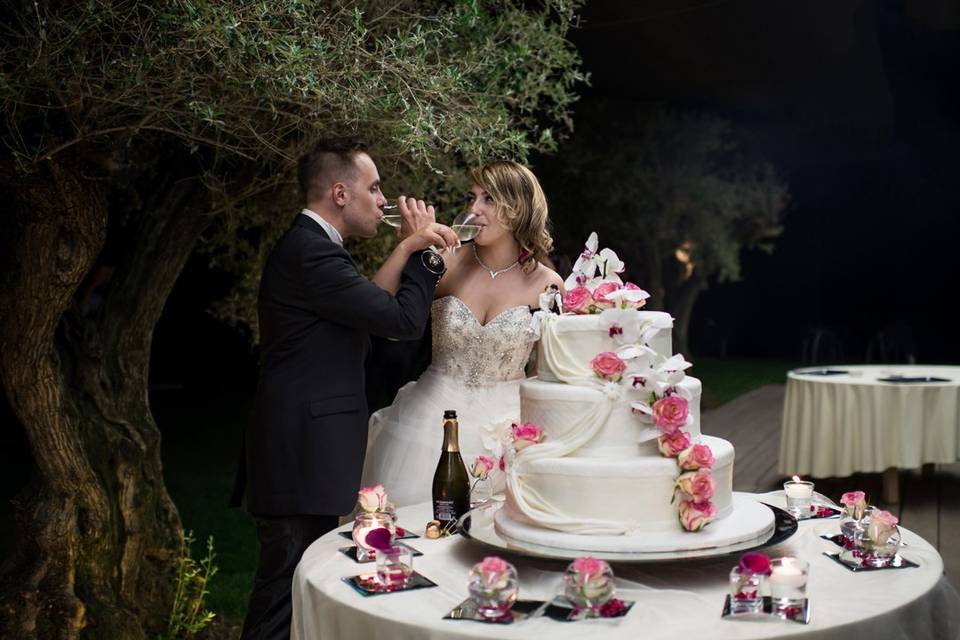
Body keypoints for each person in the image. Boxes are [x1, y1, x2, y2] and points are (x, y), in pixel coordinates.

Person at [229, 137, 458, 640]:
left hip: (301, 454)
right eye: (373, 189)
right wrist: (426, 258)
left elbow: (369, 304)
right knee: (280, 598)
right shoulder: (312, 255)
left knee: (293, 592)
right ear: (339, 193)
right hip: (297, 456)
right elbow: (399, 320)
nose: (383, 200)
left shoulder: (314, 250)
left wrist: (405, 245)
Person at [361, 160, 564, 507]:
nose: (473, 209)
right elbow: (374, 307)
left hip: (506, 430)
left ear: (518, 209)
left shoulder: (547, 284)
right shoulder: (445, 261)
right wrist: (410, 246)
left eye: (488, 199)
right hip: (430, 420)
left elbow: (547, 373)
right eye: (472, 198)